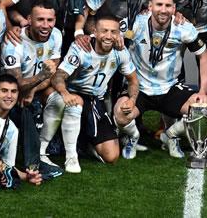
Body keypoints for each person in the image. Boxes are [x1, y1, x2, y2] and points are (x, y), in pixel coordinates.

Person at [44, 10, 142, 171]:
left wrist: (132, 100)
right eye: (104, 31)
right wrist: (65, 93)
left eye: (113, 32)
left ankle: (86, 142)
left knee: (111, 157)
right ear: (95, 32)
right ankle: (68, 152)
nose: (109, 36)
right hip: (73, 95)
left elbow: (133, 80)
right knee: (61, 99)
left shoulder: (121, 52)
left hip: (95, 100)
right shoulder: (81, 48)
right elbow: (58, 77)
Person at [129, 0, 207, 157]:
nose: (163, 10)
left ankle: (170, 135)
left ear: (174, 8)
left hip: (169, 87)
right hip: (140, 87)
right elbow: (116, 44)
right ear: (150, 6)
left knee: (202, 109)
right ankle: (130, 137)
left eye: (168, 6)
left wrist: (203, 90)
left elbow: (204, 57)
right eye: (159, 5)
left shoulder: (183, 28)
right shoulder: (135, 24)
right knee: (122, 115)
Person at [1, 0, 63, 177]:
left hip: (34, 89)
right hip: (7, 92)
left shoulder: (56, 35)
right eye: (40, 20)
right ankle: (33, 165)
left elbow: (53, 72)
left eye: (50, 20)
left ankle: (43, 150)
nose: (46, 25)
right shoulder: (14, 42)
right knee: (23, 104)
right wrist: (40, 78)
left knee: (58, 98)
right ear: (29, 19)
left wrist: (34, 89)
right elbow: (15, 83)